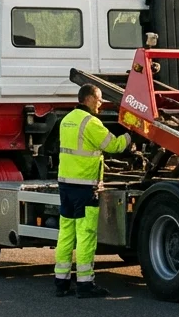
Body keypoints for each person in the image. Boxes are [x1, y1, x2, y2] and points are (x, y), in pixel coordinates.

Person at [55, 83, 131, 298]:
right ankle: (85, 284)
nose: (100, 103)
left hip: (66, 185)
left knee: (66, 234)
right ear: (88, 98)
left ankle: (61, 282)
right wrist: (130, 136)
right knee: (86, 234)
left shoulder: (67, 120)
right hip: (84, 187)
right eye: (98, 99)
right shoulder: (90, 122)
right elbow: (113, 145)